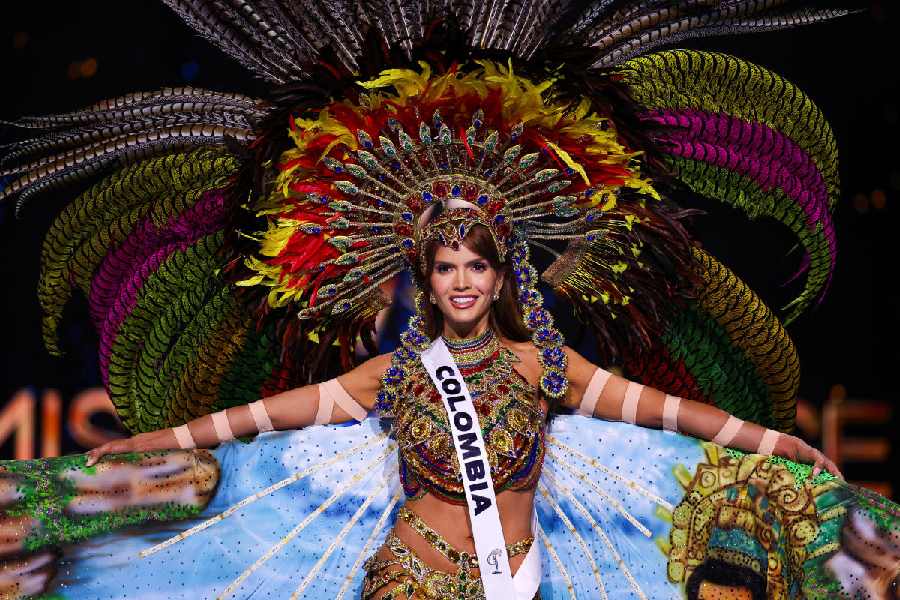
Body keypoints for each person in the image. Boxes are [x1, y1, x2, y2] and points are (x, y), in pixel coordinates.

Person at [1, 2, 897, 599]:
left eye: (477, 264)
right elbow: (235, 425)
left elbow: (672, 413)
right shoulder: (390, 375)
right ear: (423, 280)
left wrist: (776, 440)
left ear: (503, 274)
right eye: (445, 267)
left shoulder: (549, 367)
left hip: (521, 582)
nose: (462, 280)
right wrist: (132, 452)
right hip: (409, 580)